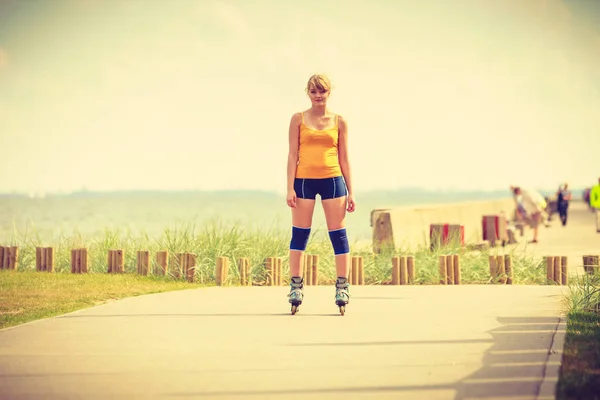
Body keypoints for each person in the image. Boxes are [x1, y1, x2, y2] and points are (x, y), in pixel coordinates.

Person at [285, 74, 356, 315]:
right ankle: (296, 286)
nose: (318, 96)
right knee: (300, 235)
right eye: (314, 92)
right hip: (303, 181)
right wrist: (289, 187)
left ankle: (342, 286)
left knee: (338, 235)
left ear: (328, 93)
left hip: (333, 181)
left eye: (322, 92)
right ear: (308, 93)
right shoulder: (298, 119)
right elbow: (292, 154)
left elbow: (344, 158)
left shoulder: (339, 122)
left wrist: (351, 191)